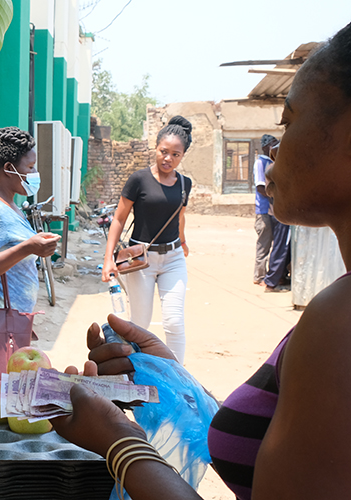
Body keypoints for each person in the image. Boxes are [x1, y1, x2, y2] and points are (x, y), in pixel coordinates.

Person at [52, 21, 351, 500]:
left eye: (289, 122)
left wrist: (120, 443)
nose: (275, 146)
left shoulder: (339, 324)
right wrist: (176, 382)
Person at [101, 116, 193, 363]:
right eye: (164, 151)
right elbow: (119, 219)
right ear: (156, 148)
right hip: (140, 260)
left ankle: (178, 375)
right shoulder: (139, 180)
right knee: (139, 324)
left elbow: (179, 217)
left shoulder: (185, 183)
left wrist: (183, 241)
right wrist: (108, 259)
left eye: (176, 154)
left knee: (174, 321)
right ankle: (139, 373)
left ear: (183, 155)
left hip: (173, 258)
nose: (168, 158)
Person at [0, 127, 60, 313]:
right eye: (30, 167)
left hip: (13, 319)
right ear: (9, 169)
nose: (35, 172)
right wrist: (28, 247)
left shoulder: (12, 206)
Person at [253, 134, 279, 286]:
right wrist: (275, 198)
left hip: (272, 210)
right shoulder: (260, 163)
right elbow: (260, 187)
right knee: (264, 243)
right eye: (272, 145)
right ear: (265, 147)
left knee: (275, 243)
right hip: (263, 210)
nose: (274, 148)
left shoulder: (271, 162)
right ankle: (259, 276)